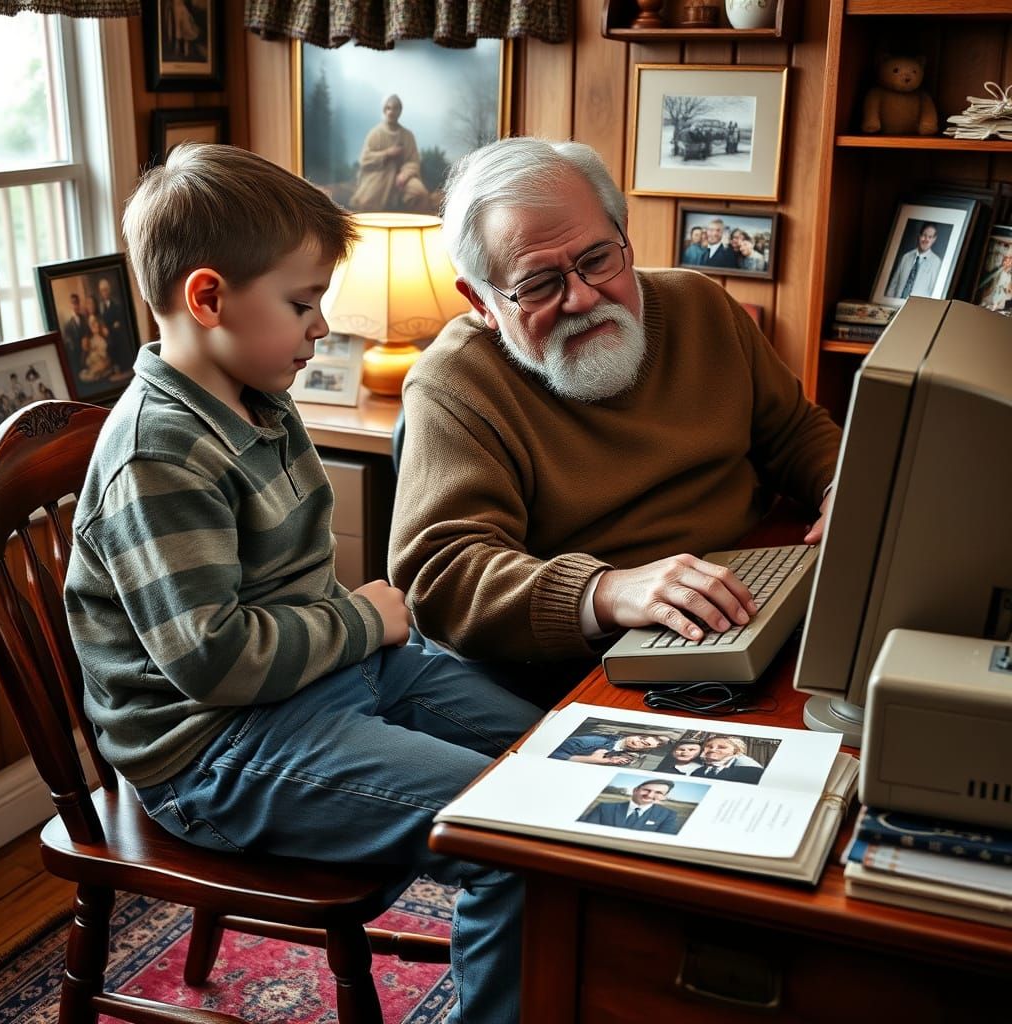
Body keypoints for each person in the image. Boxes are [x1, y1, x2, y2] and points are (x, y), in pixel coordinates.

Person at [63, 141, 540, 1024]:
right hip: (213, 751)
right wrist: (363, 620)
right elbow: (215, 662)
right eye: (301, 303)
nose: (321, 326)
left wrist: (358, 631)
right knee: (512, 835)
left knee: (560, 769)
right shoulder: (157, 456)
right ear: (208, 299)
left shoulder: (259, 396)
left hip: (321, 681)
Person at [389, 137, 840, 696]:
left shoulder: (701, 305)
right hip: (588, 666)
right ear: (482, 302)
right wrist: (607, 591)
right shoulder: (455, 382)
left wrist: (838, 487)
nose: (582, 298)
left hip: (757, 595)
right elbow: (442, 576)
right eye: (539, 285)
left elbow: (794, 430)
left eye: (597, 260)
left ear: (624, 233)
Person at [350, 94, 431, 214]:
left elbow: (413, 161)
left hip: (402, 179)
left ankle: (411, 222)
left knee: (420, 193)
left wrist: (404, 175)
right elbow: (364, 159)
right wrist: (387, 153)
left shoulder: (407, 136)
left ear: (400, 111)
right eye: (388, 108)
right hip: (380, 176)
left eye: (395, 108)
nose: (391, 112)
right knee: (366, 202)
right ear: (384, 110)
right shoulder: (375, 133)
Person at [579, 779, 679, 834]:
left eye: (658, 792)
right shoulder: (605, 807)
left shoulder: (668, 815)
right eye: (646, 790)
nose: (649, 795)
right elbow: (585, 831)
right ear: (635, 790)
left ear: (664, 797)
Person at [885, 222, 942, 299]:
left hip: (917, 305)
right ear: (919, 236)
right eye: (924, 235)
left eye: (930, 237)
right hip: (896, 302)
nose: (926, 239)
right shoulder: (906, 257)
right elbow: (893, 285)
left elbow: (933, 291)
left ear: (934, 239)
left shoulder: (936, 263)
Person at [550, 731, 668, 765]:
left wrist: (609, 761)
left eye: (645, 744)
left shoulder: (622, 755)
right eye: (641, 738)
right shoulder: (596, 741)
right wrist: (593, 760)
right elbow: (551, 754)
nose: (638, 742)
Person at [690, 735, 765, 783]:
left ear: (736, 751)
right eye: (709, 746)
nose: (712, 750)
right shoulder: (698, 771)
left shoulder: (750, 770)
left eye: (722, 747)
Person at [96, 276, 130, 366]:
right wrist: (103, 328)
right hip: (106, 335)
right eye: (102, 291)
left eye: (105, 290)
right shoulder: (100, 306)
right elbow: (101, 320)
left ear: (109, 290)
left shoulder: (116, 304)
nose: (104, 293)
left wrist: (114, 325)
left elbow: (119, 321)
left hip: (116, 334)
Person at [62, 293, 90, 377]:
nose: (75, 306)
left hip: (86, 351)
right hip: (75, 353)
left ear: (79, 304)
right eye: (73, 303)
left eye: (77, 303)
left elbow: (87, 333)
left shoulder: (84, 319)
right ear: (70, 305)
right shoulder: (68, 324)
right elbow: (68, 340)